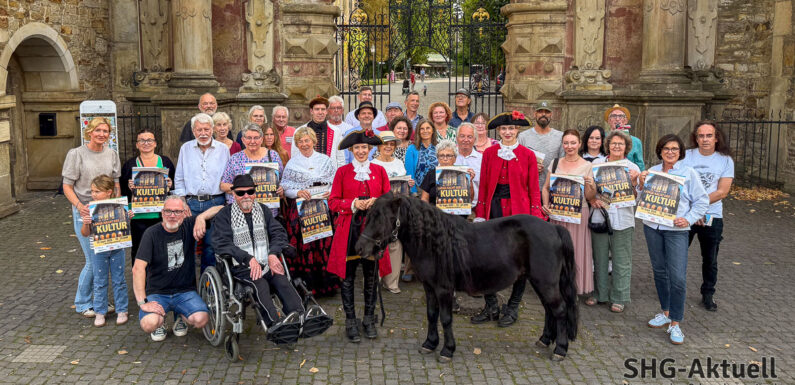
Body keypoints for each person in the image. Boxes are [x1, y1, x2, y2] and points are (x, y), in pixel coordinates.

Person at [212, 174, 305, 344]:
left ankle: (299, 316)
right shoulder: (224, 215)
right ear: (234, 195)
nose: (246, 196)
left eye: (250, 191)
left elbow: (278, 233)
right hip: (240, 267)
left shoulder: (263, 210)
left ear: (255, 193)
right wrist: (247, 258)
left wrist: (272, 253)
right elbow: (222, 243)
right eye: (241, 193)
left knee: (281, 279)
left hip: (265, 262)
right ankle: (275, 324)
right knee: (259, 282)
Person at [471, 111, 544, 327]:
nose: (508, 132)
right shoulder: (490, 154)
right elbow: (484, 186)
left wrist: (535, 218)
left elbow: (533, 189)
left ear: (517, 130)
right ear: (499, 132)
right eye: (504, 129)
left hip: (519, 212)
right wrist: (481, 214)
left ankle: (512, 307)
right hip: (493, 210)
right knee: (487, 258)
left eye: (511, 129)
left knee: (520, 261)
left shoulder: (528, 155)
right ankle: (491, 305)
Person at [639, 134, 708, 345]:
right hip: (653, 227)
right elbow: (640, 198)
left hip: (676, 230)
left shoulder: (689, 173)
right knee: (659, 272)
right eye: (666, 148)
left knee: (677, 277)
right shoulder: (651, 172)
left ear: (680, 153)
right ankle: (666, 312)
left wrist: (687, 219)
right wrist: (639, 184)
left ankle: (676, 323)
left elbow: (702, 201)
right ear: (660, 151)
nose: (670, 152)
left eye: (675, 149)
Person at [328, 129, 392, 342]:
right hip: (350, 232)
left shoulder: (379, 171)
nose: (361, 151)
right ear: (351, 150)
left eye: (365, 147)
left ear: (370, 149)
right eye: (357, 148)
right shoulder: (343, 172)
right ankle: (350, 321)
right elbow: (334, 202)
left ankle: (368, 319)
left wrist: (377, 202)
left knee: (371, 277)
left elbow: (389, 199)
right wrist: (353, 203)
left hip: (373, 232)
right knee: (347, 278)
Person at [133, 195, 218, 341]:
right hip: (158, 292)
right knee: (149, 324)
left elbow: (221, 208)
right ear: (162, 212)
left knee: (201, 319)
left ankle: (181, 318)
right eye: (168, 211)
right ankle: (161, 322)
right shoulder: (151, 233)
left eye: (177, 212)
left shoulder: (189, 225)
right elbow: (138, 269)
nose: (172, 216)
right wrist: (142, 302)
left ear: (185, 213)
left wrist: (201, 217)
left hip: (185, 291)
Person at [62, 116, 121, 318]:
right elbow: (67, 186)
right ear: (90, 132)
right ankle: (83, 302)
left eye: (105, 131)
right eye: (98, 131)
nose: (102, 135)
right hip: (85, 210)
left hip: (107, 211)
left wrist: (118, 204)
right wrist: (79, 206)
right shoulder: (76, 154)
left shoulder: (111, 154)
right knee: (92, 260)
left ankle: (100, 301)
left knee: (102, 259)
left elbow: (115, 183)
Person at [680, 120, 734, 312]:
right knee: (678, 254)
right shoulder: (685, 156)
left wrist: (699, 208)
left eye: (709, 135)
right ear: (696, 138)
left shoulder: (725, 160)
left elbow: (722, 192)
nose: (705, 139)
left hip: (712, 215)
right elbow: (680, 185)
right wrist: (693, 211)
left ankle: (708, 293)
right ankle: (675, 288)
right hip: (686, 214)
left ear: (716, 137)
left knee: (710, 258)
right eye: (701, 136)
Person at [281, 127, 339, 296]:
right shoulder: (292, 163)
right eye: (300, 141)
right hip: (301, 211)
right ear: (297, 144)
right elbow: (285, 187)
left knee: (323, 245)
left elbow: (334, 182)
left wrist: (331, 191)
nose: (304, 144)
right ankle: (306, 285)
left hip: (322, 208)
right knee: (305, 246)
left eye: (307, 140)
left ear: (314, 141)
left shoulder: (325, 160)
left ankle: (326, 285)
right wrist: (297, 192)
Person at [542, 129, 597, 302]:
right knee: (557, 252)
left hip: (578, 214)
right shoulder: (555, 162)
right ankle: (557, 286)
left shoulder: (587, 166)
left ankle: (575, 287)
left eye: (573, 143)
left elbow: (590, 197)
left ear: (580, 144)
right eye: (566, 143)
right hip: (558, 214)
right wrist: (545, 204)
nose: (569, 146)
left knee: (576, 251)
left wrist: (591, 185)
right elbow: (545, 187)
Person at [590, 130, 640, 313]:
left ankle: (619, 297)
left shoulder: (633, 168)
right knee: (599, 257)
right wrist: (591, 199)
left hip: (623, 219)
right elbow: (590, 190)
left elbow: (637, 198)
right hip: (600, 216)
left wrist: (634, 183)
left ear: (626, 147)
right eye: (613, 143)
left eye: (620, 144)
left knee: (622, 260)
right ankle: (599, 293)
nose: (617, 146)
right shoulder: (597, 164)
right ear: (608, 145)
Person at [173, 113, 230, 272]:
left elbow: (227, 176)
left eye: (206, 129)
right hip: (191, 203)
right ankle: (186, 285)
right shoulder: (185, 148)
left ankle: (208, 285)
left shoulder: (223, 149)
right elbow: (179, 178)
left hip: (216, 202)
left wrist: (227, 202)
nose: (203, 133)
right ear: (193, 130)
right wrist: (182, 203)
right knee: (186, 245)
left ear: (212, 129)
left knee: (211, 246)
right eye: (199, 129)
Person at [79, 175, 130, 327]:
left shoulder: (118, 206)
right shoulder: (89, 208)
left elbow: (123, 227)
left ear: (109, 192)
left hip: (117, 248)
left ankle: (122, 310)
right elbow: (85, 233)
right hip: (98, 250)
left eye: (97, 191)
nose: (93, 194)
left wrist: (128, 218)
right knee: (99, 281)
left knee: (119, 279)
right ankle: (100, 311)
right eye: (92, 191)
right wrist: (86, 223)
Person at [120, 129, 176, 266]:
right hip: (139, 218)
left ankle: (158, 282)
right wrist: (130, 188)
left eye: (149, 140)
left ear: (155, 143)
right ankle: (140, 284)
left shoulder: (165, 162)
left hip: (161, 215)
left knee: (162, 250)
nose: (146, 143)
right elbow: (122, 192)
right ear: (137, 145)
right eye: (142, 140)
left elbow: (173, 188)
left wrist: (170, 183)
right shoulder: (130, 165)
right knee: (139, 251)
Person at [371, 131, 415, 294]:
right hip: (380, 209)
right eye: (385, 144)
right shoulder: (373, 163)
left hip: (397, 209)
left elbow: (403, 184)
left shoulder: (398, 162)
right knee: (378, 244)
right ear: (379, 146)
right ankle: (377, 279)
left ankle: (392, 282)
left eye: (391, 144)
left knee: (395, 244)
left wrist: (408, 182)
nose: (388, 147)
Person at [220, 123, 285, 218]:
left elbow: (282, 180)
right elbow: (223, 185)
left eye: (256, 138)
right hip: (241, 213)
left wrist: (281, 189)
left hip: (267, 212)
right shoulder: (235, 159)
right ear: (243, 139)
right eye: (249, 138)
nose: (252, 141)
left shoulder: (273, 155)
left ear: (262, 139)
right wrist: (241, 189)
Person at [518, 100, 565, 190]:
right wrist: (530, 168)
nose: (543, 114)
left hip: (552, 188)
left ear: (551, 114)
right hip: (529, 188)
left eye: (547, 112)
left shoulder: (560, 136)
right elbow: (518, 163)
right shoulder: (523, 136)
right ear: (535, 114)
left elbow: (563, 163)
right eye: (540, 111)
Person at [420, 140, 476, 208]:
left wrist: (470, 181)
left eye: (449, 156)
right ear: (437, 158)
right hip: (436, 215)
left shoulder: (462, 173)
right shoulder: (431, 174)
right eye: (441, 156)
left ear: (455, 158)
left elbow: (470, 199)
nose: (445, 159)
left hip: (458, 215)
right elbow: (424, 199)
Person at [294, 96, 346, 169]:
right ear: (311, 111)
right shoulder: (299, 131)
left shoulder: (335, 131)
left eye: (323, 109)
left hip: (329, 175)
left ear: (326, 111)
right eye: (317, 109)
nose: (320, 112)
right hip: (306, 172)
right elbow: (295, 155)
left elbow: (341, 158)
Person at [604, 104, 644, 170]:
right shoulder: (602, 137)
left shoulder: (636, 141)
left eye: (621, 116)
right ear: (609, 121)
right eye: (614, 116)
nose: (617, 119)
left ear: (626, 121)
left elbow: (640, 165)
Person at [405, 119, 438, 197]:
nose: (425, 131)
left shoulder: (439, 147)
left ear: (433, 130)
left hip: (436, 189)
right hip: (419, 189)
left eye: (428, 128)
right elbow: (409, 172)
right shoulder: (412, 149)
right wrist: (413, 192)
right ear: (418, 132)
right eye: (422, 129)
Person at [455, 123, 482, 206]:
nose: (466, 140)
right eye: (462, 136)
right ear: (456, 138)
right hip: (452, 207)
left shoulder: (482, 160)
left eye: (469, 137)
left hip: (475, 208)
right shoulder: (447, 157)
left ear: (475, 140)